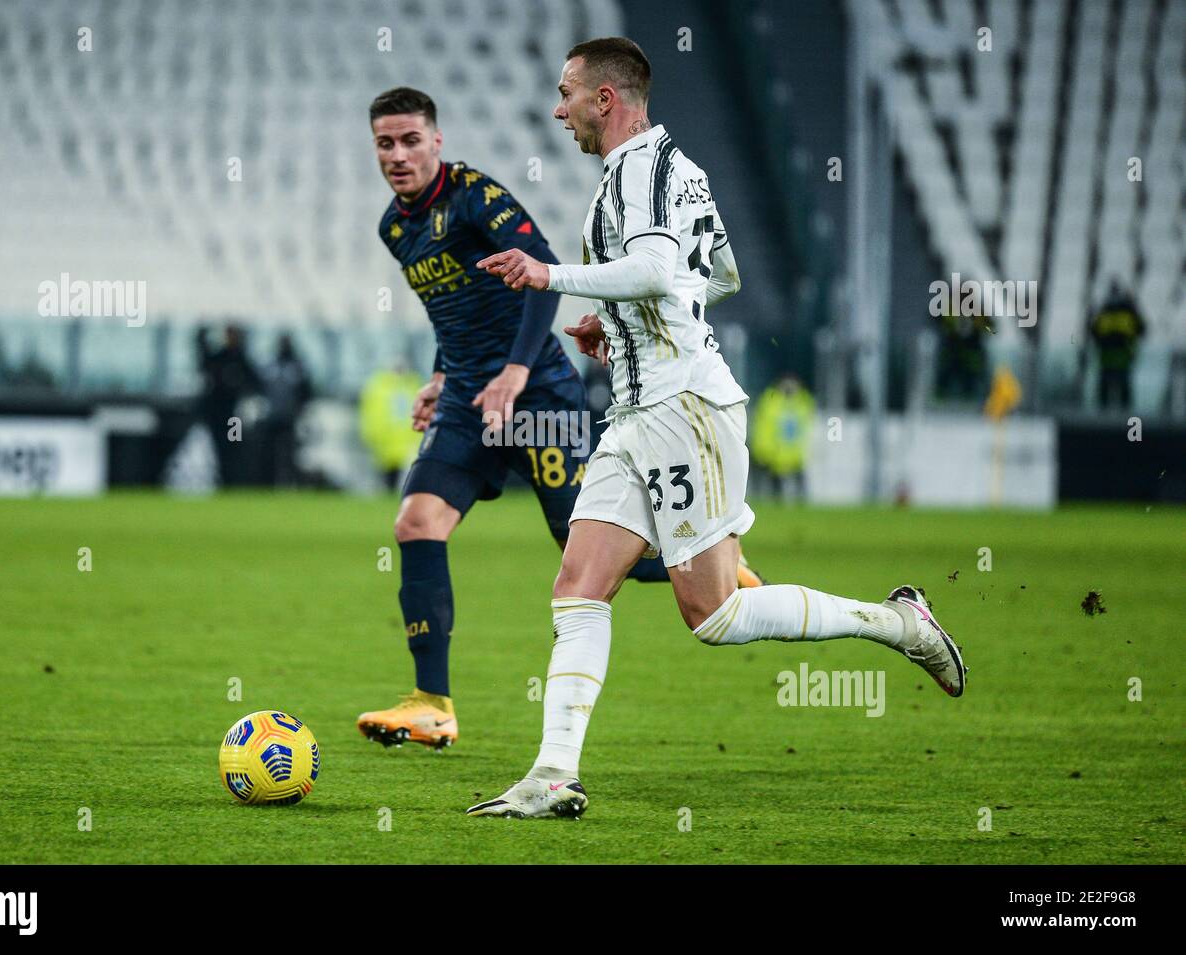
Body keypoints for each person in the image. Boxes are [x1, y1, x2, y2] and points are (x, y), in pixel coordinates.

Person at [468, 37, 966, 819]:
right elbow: (715, 275)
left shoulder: (641, 170)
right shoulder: (674, 170)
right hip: (634, 412)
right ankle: (553, 774)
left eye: (566, 93)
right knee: (578, 584)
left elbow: (666, 272)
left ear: (606, 99)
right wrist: (620, 322)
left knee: (717, 613)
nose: (556, 109)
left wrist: (552, 277)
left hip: (683, 410)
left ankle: (900, 622)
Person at [357, 87, 765, 752]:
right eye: (385, 143)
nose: (397, 155)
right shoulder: (394, 227)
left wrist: (516, 373)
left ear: (436, 141)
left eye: (410, 140)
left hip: (539, 393)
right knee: (416, 521)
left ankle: (725, 564)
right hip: (470, 398)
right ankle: (432, 703)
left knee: (601, 560)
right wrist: (442, 374)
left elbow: (539, 274)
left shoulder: (475, 197)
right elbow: (455, 308)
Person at [195, 324, 262, 487]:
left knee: (234, 446)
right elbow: (204, 364)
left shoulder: (241, 359)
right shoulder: (219, 357)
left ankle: (234, 480)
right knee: (219, 448)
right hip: (217, 414)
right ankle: (223, 481)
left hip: (234, 417)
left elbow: (255, 383)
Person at [358, 363, 424, 489]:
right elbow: (370, 415)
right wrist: (371, 435)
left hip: (408, 446)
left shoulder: (414, 385)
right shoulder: (378, 386)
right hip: (384, 445)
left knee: (405, 484)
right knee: (387, 483)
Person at [751, 374, 815, 500]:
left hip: (794, 454)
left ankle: (800, 502)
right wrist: (764, 449)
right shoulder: (771, 402)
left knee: (798, 486)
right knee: (772, 488)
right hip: (772, 453)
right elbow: (763, 427)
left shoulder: (803, 402)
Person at [262, 334, 313, 487]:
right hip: (272, 417)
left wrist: (300, 409)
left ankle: (290, 483)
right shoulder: (271, 366)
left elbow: (306, 391)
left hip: (291, 418)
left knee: (290, 454)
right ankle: (270, 483)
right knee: (271, 453)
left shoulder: (297, 366)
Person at [1089, 281, 1145, 409]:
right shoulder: (1123, 311)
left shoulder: (1107, 311)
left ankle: (1112, 414)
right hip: (1116, 356)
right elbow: (1141, 329)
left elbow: (1093, 331)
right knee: (1117, 386)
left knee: (1112, 386)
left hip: (1115, 356)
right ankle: (1116, 414)